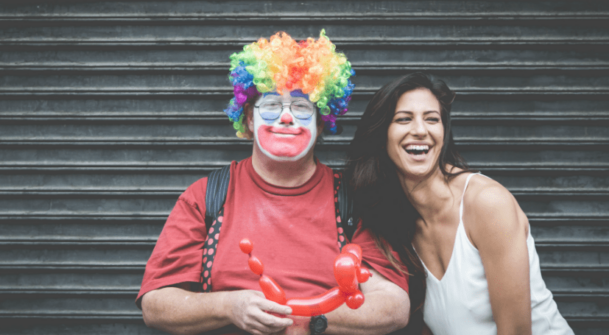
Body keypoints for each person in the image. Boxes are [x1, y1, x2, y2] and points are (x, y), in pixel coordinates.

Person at [137, 31, 411, 335]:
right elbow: (157, 304)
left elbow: (393, 305)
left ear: (321, 123)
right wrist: (230, 306)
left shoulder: (353, 198)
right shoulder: (205, 197)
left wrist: (307, 320)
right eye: (270, 106)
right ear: (249, 119)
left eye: (301, 107)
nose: (285, 118)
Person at [346, 72, 573, 335]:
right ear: (381, 134)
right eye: (404, 119)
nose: (421, 130)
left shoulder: (485, 203)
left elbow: (516, 331)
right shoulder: (397, 222)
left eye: (432, 119)